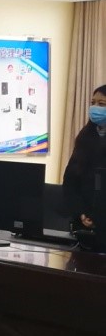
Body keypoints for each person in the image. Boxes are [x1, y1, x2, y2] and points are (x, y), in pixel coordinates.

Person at [63, 84, 106, 230]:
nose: (95, 108)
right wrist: (81, 213)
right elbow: (70, 180)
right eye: (93, 103)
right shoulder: (85, 136)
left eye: (101, 104)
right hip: (83, 221)